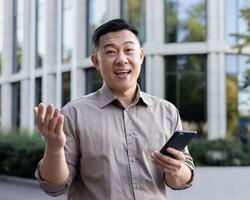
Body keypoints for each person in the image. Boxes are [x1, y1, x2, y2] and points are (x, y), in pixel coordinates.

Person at [34, 19, 194, 200]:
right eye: (110, 52)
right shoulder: (74, 114)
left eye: (129, 50)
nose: (121, 59)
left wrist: (177, 169)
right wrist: (54, 148)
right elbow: (55, 187)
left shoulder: (167, 112)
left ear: (140, 56)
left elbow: (180, 181)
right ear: (96, 61)